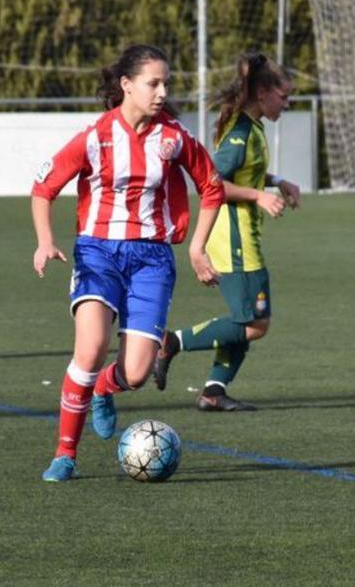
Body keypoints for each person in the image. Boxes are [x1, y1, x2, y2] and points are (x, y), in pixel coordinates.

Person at [31, 44, 226, 483]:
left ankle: (104, 389)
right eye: (153, 83)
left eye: (166, 84)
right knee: (91, 348)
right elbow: (43, 187)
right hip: (98, 251)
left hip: (152, 259)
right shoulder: (95, 136)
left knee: (136, 373)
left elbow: (211, 188)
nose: (162, 92)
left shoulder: (173, 137)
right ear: (127, 85)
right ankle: (65, 454)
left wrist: (196, 248)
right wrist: (46, 241)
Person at [151, 52, 300, 410]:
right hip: (233, 239)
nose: (288, 102)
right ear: (262, 93)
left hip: (242, 236)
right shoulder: (240, 133)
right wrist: (258, 196)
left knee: (245, 318)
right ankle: (173, 342)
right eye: (284, 95)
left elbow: (247, 172)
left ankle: (214, 392)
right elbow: (212, 183)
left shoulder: (253, 127)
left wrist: (277, 181)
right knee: (255, 324)